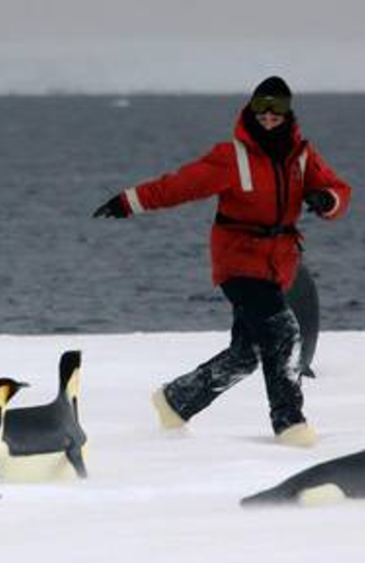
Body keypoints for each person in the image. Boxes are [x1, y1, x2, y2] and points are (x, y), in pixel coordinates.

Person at [92, 76, 351, 446]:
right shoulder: (232, 156)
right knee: (283, 331)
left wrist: (326, 200)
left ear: (287, 111)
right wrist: (128, 202)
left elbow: (339, 190)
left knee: (247, 354)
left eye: (277, 108)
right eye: (261, 107)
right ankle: (289, 423)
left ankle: (176, 400)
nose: (268, 116)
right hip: (238, 261)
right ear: (251, 109)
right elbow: (179, 185)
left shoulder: (302, 157)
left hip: (278, 262)